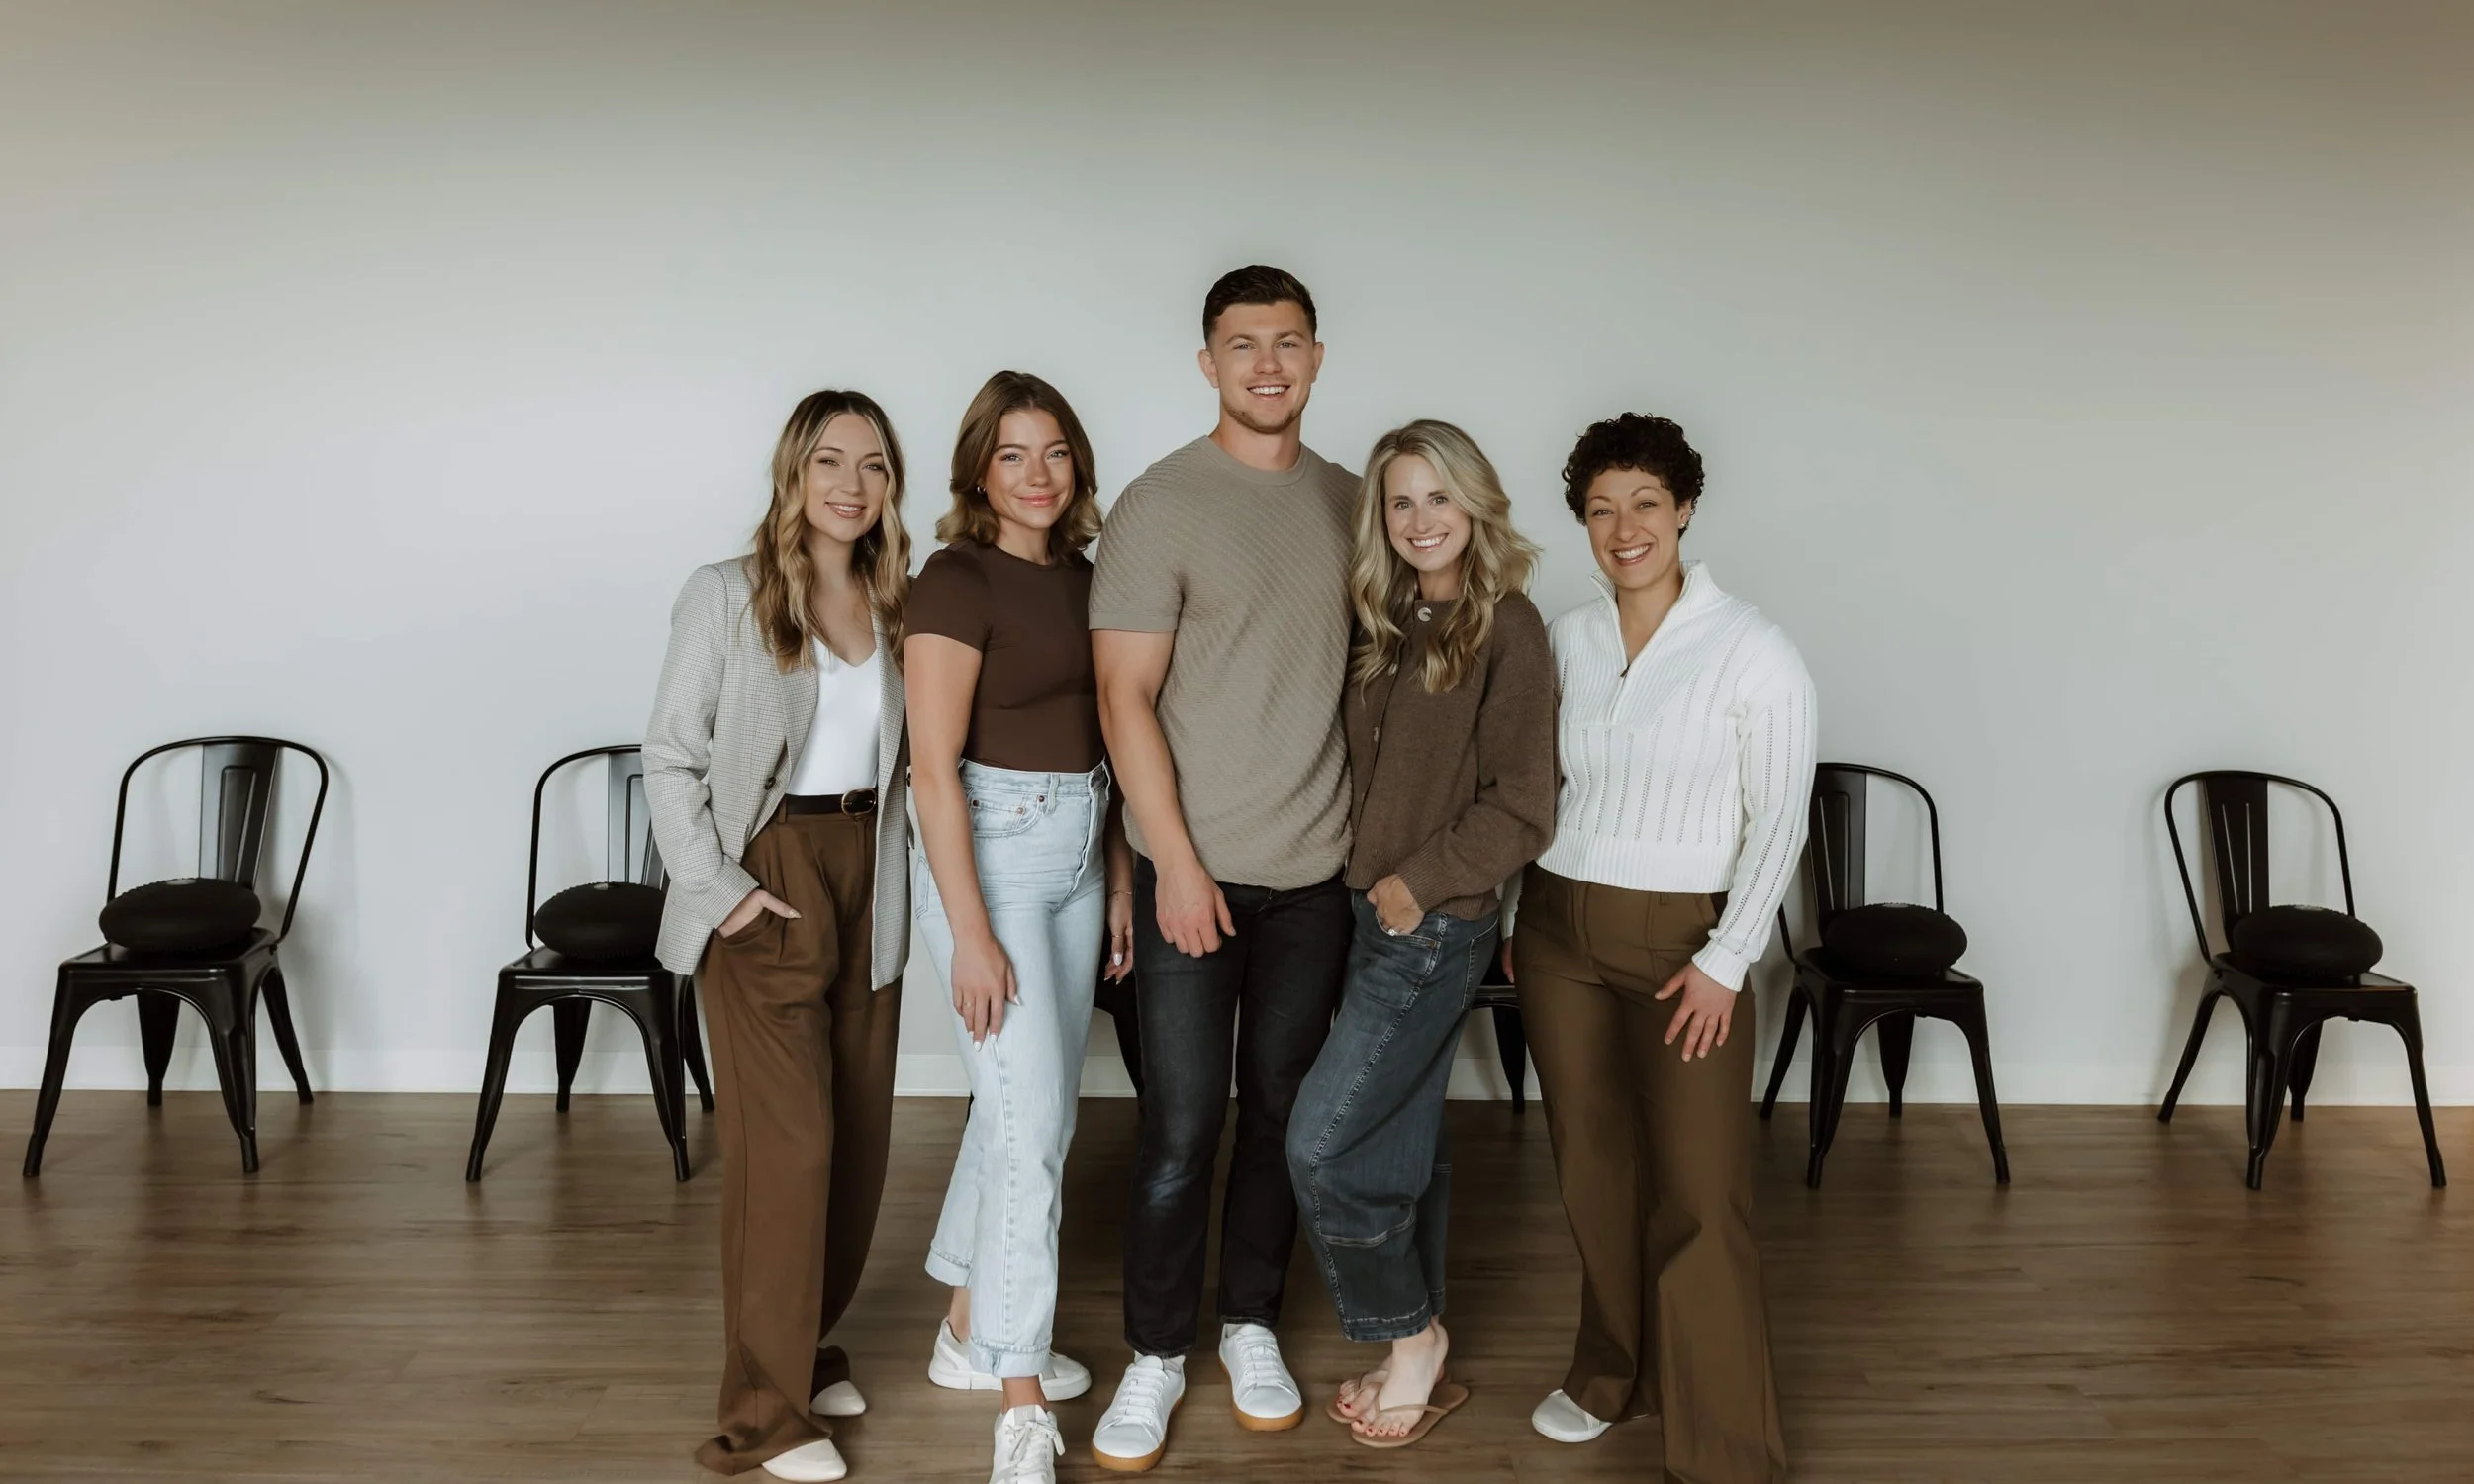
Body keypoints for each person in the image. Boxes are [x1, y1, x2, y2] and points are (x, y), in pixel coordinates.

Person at [1084, 265, 1358, 1473]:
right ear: (1206, 362)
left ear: (1314, 357)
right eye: (1240, 345)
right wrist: (1175, 870)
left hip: (1316, 880)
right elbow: (1121, 696)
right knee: (1182, 1127)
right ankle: (1154, 1354)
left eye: (1285, 343)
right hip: (1190, 876)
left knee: (1284, 1122)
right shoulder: (1160, 503)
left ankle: (1247, 1323)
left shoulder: (1358, 504)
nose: (1264, 364)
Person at [1506, 413, 1813, 1484]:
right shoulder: (1568, 639)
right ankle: (1606, 1374)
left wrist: (1729, 959)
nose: (1621, 527)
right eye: (1599, 509)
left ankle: (1726, 1449)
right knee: (1592, 1173)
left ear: (1684, 509)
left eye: (1643, 503)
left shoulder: (1753, 651)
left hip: (1685, 940)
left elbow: (1781, 821)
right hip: (1555, 930)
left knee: (1698, 1190)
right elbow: (1538, 791)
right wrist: (1514, 915)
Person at [644, 390, 913, 1484]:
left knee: (853, 1145)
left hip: (871, 873)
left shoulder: (899, 597)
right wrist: (722, 891)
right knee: (785, 1154)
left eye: (875, 466)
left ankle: (804, 1347)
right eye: (830, 463)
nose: (852, 486)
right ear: (791, 473)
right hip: (771, 873)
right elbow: (669, 756)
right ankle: (763, 1416)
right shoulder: (726, 594)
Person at [1285, 419, 1557, 1448]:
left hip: (1431, 927)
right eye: (1400, 501)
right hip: (1368, 915)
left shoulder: (1509, 629)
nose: (1419, 519)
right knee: (1393, 1141)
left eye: (1438, 497)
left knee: (1319, 1144)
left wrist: (1413, 885)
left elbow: (1524, 804)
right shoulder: (1388, 624)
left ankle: (1412, 1337)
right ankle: (1415, 1343)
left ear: (1475, 504)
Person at [906, 371, 1135, 1484]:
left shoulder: (1093, 580)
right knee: (1029, 1129)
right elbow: (931, 772)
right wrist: (971, 932)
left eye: (1054, 453)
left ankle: (964, 1328)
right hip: (990, 855)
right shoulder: (954, 578)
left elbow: (1114, 735)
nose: (1037, 475)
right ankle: (1018, 1397)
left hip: (1083, 850)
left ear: (1077, 467)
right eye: (1012, 455)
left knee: (1018, 1111)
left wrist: (1123, 877)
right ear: (978, 471)